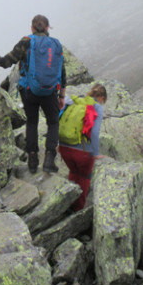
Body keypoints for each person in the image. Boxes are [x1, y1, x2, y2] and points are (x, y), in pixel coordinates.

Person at [0, 14, 66, 173]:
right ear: (48, 28)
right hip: (50, 92)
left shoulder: (25, 42)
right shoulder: (56, 44)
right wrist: (61, 95)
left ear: (32, 28)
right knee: (53, 122)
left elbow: (5, 62)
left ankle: (32, 160)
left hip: (29, 91)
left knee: (32, 122)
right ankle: (49, 159)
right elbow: (62, 71)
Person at [58, 84, 108, 212]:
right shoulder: (97, 107)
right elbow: (95, 133)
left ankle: (66, 204)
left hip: (64, 147)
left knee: (74, 173)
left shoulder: (75, 101)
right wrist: (96, 153)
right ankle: (76, 212)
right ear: (101, 98)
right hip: (82, 153)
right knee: (84, 177)